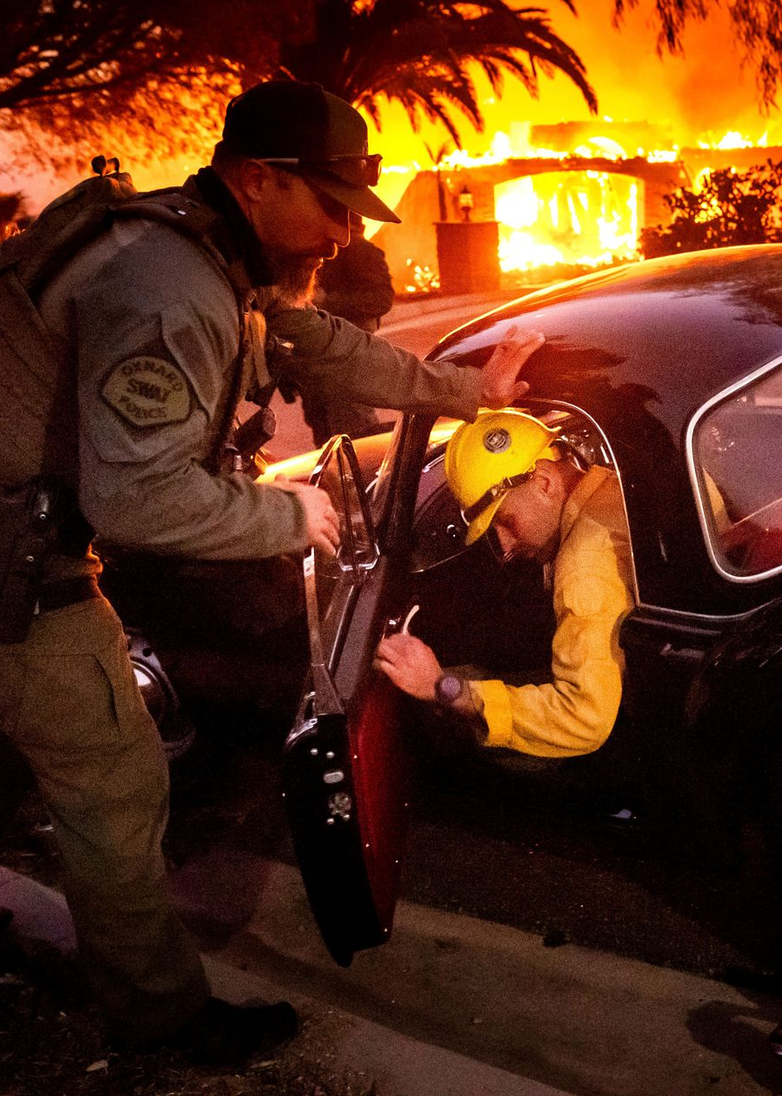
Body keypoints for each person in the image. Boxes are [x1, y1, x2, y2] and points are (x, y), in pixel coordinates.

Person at [0, 80, 541, 1064]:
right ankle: (161, 1025)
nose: (344, 228)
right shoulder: (169, 284)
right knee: (114, 781)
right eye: (330, 203)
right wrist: (286, 512)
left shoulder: (198, 243)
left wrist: (471, 391)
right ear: (256, 180)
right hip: (17, 568)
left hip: (25, 539)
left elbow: (308, 339)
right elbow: (135, 499)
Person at [374, 409, 634, 759]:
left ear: (544, 482)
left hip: (620, 750)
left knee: (454, 733)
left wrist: (442, 688)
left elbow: (583, 718)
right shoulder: (615, 483)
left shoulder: (584, 568)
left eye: (506, 521)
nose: (508, 548)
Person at [292, 213, 397, 444]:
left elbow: (381, 298)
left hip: (348, 353)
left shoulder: (360, 250)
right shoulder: (324, 249)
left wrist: (327, 301)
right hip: (321, 351)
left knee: (354, 431)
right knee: (325, 433)